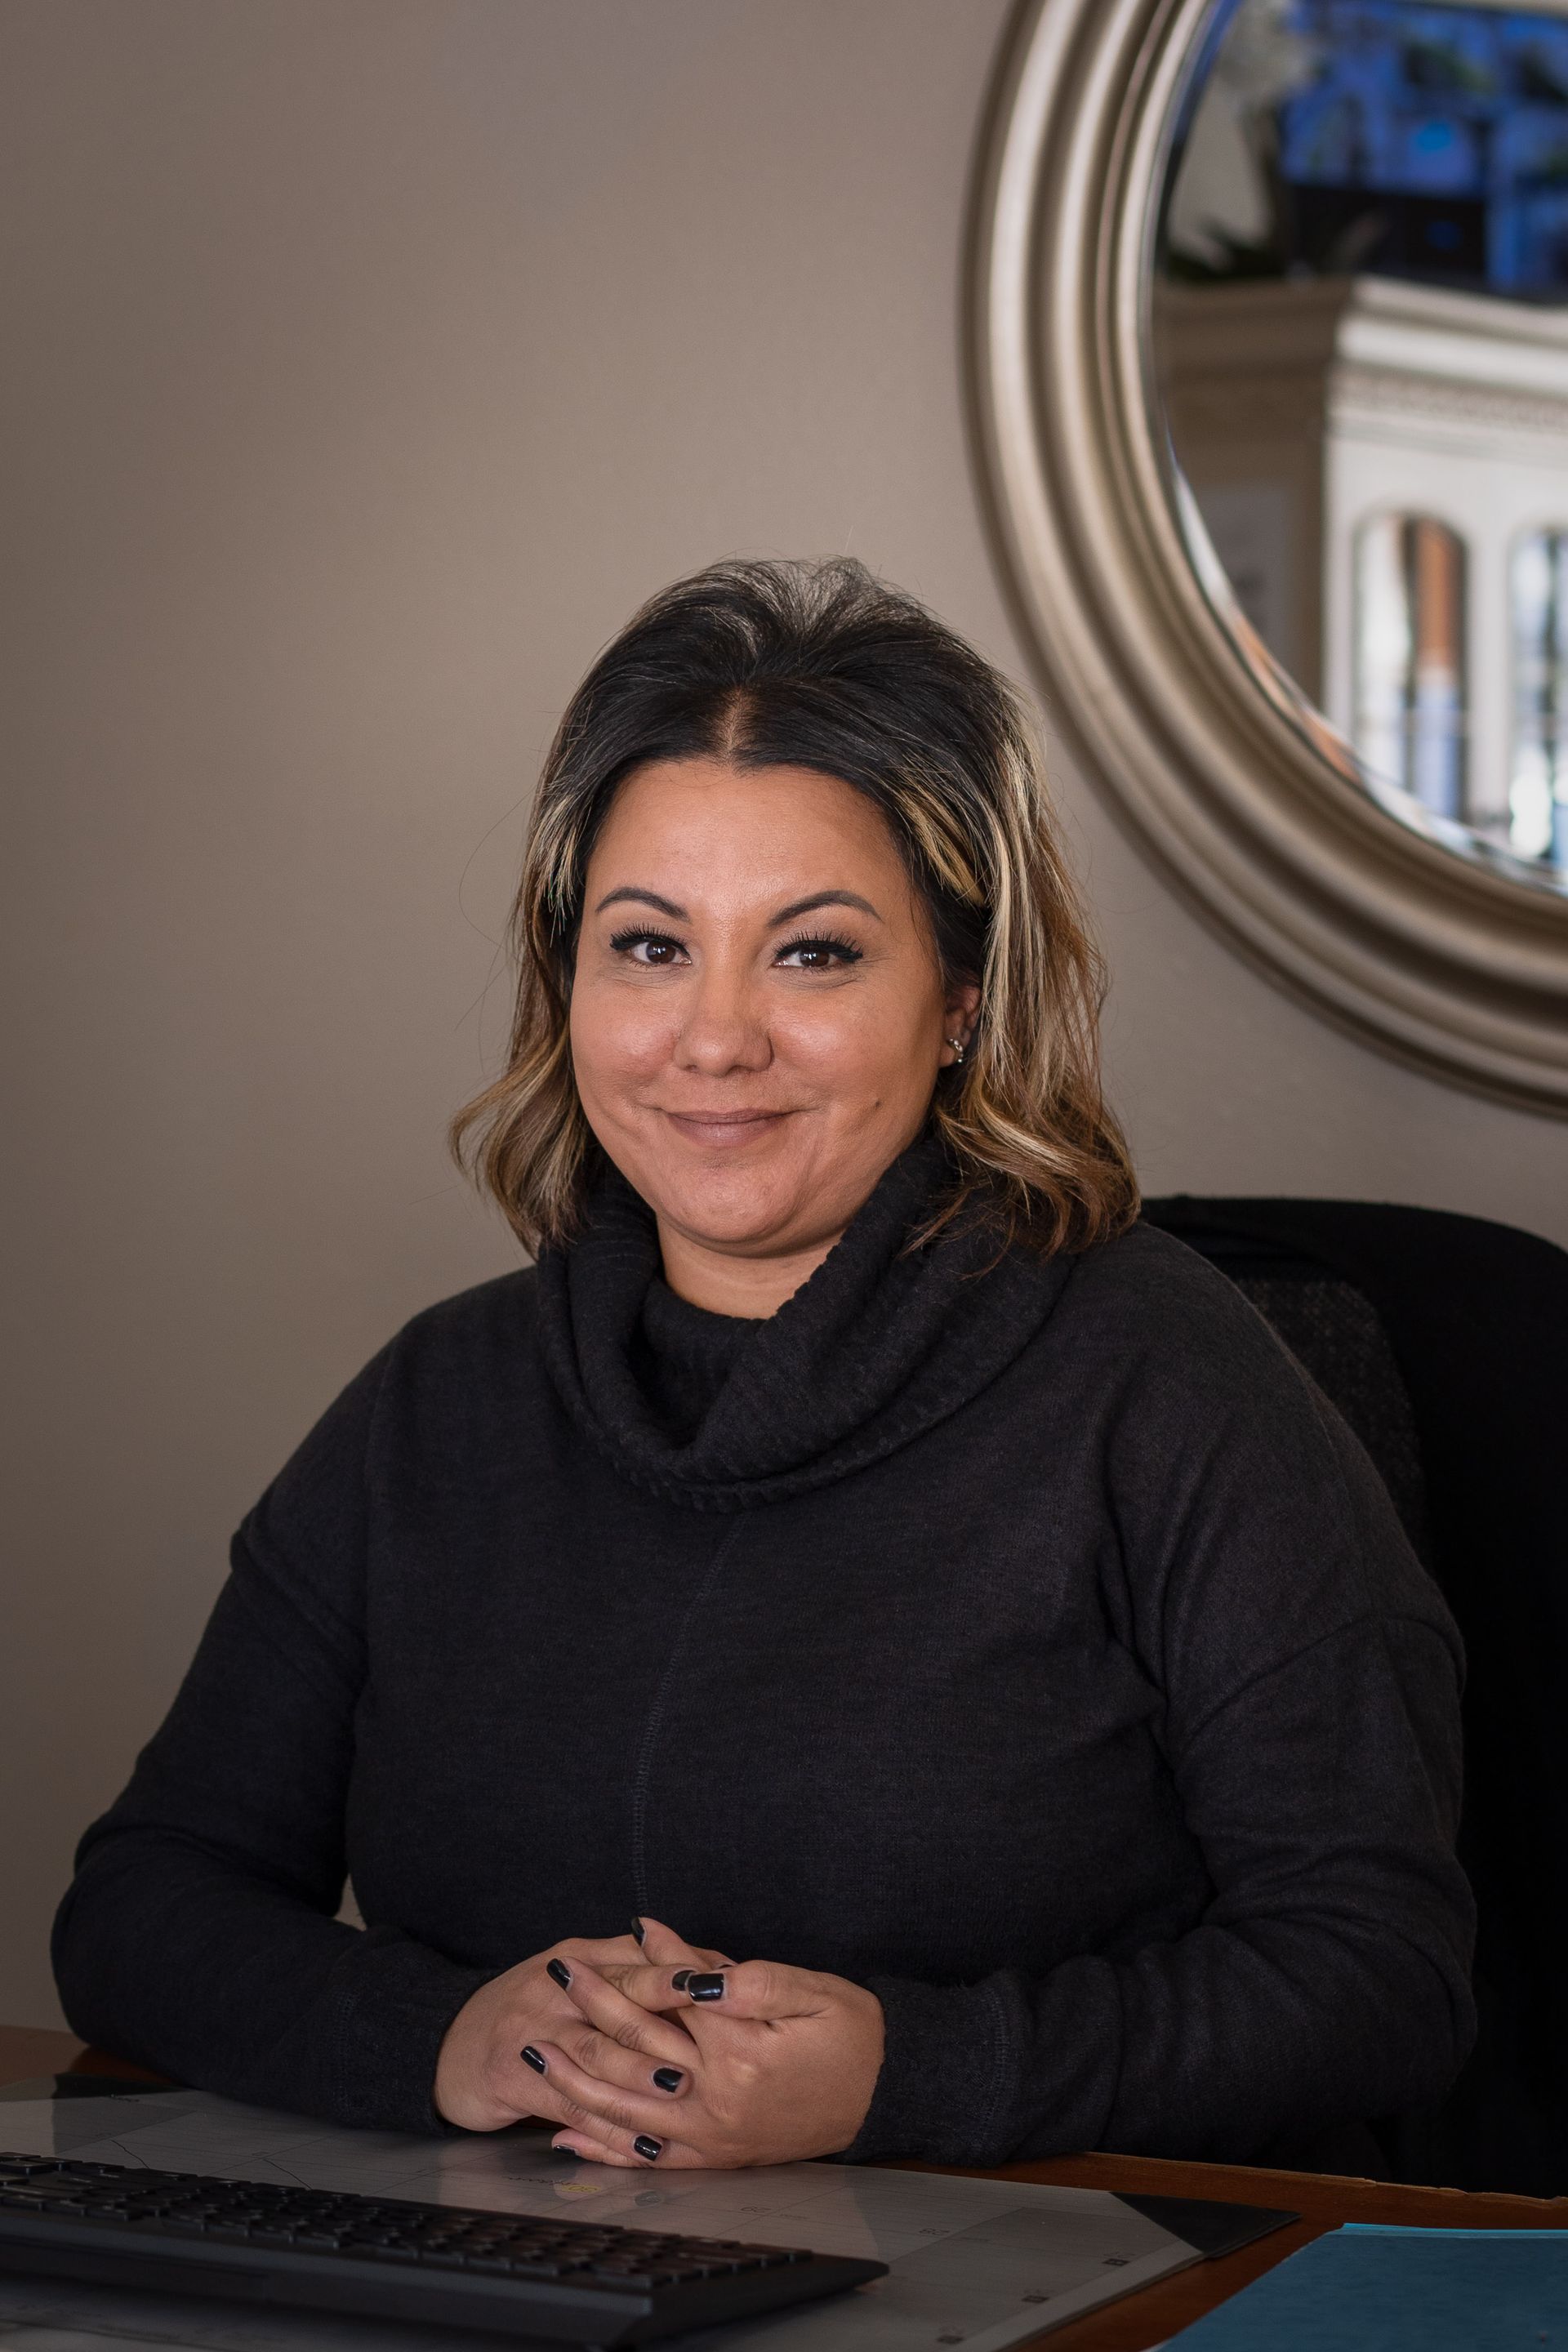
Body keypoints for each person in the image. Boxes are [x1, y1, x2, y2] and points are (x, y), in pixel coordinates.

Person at [53, 558, 1475, 2175]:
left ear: (962, 997)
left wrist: (911, 2077)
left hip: (1042, 2270)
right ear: (568, 983)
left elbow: (1381, 1979)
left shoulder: (1172, 1390)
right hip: (519, 2256)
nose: (715, 1038)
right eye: (649, 947)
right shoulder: (434, 1404)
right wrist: (442, 2036)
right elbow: (142, 1906)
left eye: (813, 955)